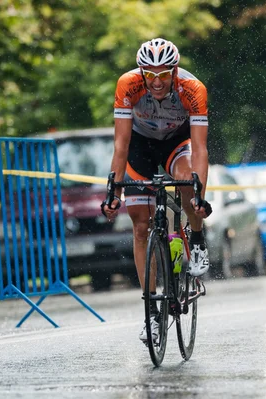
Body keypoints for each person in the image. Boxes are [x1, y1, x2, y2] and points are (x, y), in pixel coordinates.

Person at [102, 38, 212, 344]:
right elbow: (121, 145)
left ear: (174, 71)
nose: (157, 82)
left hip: (177, 142)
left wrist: (199, 192)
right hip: (140, 145)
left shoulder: (194, 89)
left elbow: (200, 148)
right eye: (150, 75)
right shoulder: (128, 85)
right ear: (141, 73)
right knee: (140, 226)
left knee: (187, 182)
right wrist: (112, 189)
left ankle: (199, 237)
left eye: (164, 74)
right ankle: (151, 314)